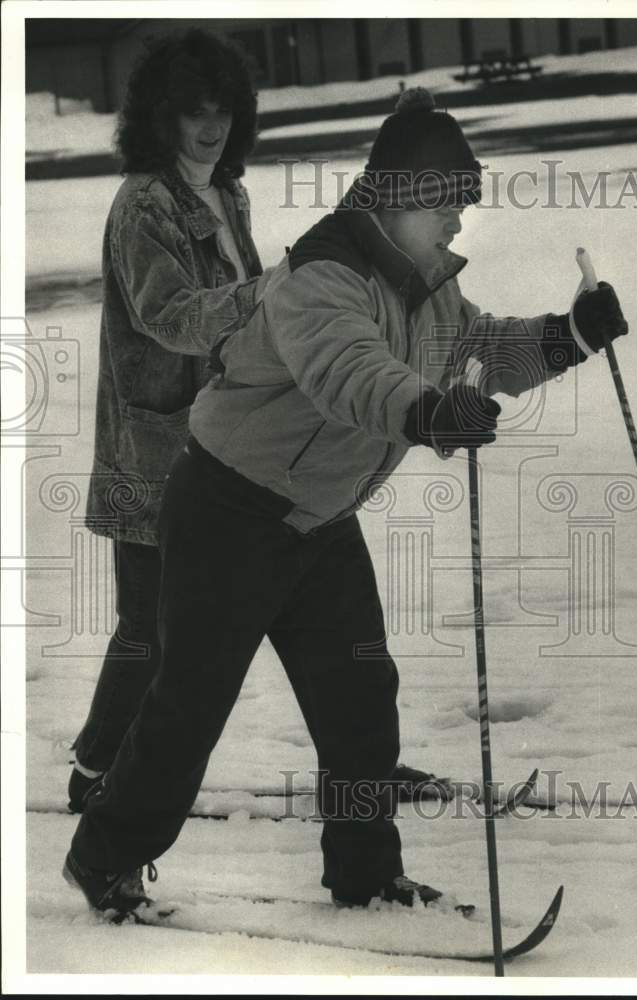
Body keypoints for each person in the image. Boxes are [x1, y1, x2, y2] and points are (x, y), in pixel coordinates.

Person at [64, 87, 629, 919]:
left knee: (360, 704)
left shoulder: (426, 285)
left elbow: (472, 345)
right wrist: (428, 413)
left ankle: (365, 876)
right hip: (229, 513)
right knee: (189, 707)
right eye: (444, 202)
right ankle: (103, 858)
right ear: (397, 198)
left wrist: (567, 335)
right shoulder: (319, 278)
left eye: (462, 202)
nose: (457, 221)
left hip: (318, 522)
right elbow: (350, 373)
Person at [69, 31, 446, 816]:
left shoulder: (225, 190)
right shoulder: (144, 204)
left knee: (315, 621)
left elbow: (268, 289)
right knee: (153, 627)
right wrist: (274, 292)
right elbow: (168, 318)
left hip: (240, 437)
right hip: (157, 447)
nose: (209, 127)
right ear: (159, 116)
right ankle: (98, 768)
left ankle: (358, 764)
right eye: (191, 113)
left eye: (222, 111)